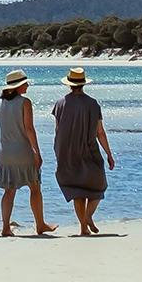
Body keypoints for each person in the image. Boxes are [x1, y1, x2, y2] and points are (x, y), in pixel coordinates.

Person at [50, 65, 116, 236]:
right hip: (89, 150)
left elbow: (58, 131)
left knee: (77, 190)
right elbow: (99, 132)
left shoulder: (60, 103)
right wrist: (108, 153)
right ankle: (86, 220)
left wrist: (58, 152)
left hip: (67, 151)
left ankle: (84, 224)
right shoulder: (93, 104)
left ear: (69, 84)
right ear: (83, 84)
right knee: (98, 186)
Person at [0, 69, 59, 237]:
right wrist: (36, 151)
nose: (27, 86)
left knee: (9, 191)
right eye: (25, 83)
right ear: (18, 86)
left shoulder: (1, 103)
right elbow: (29, 129)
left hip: (4, 152)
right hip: (22, 151)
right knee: (35, 188)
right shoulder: (25, 102)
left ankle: (5, 228)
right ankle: (40, 224)